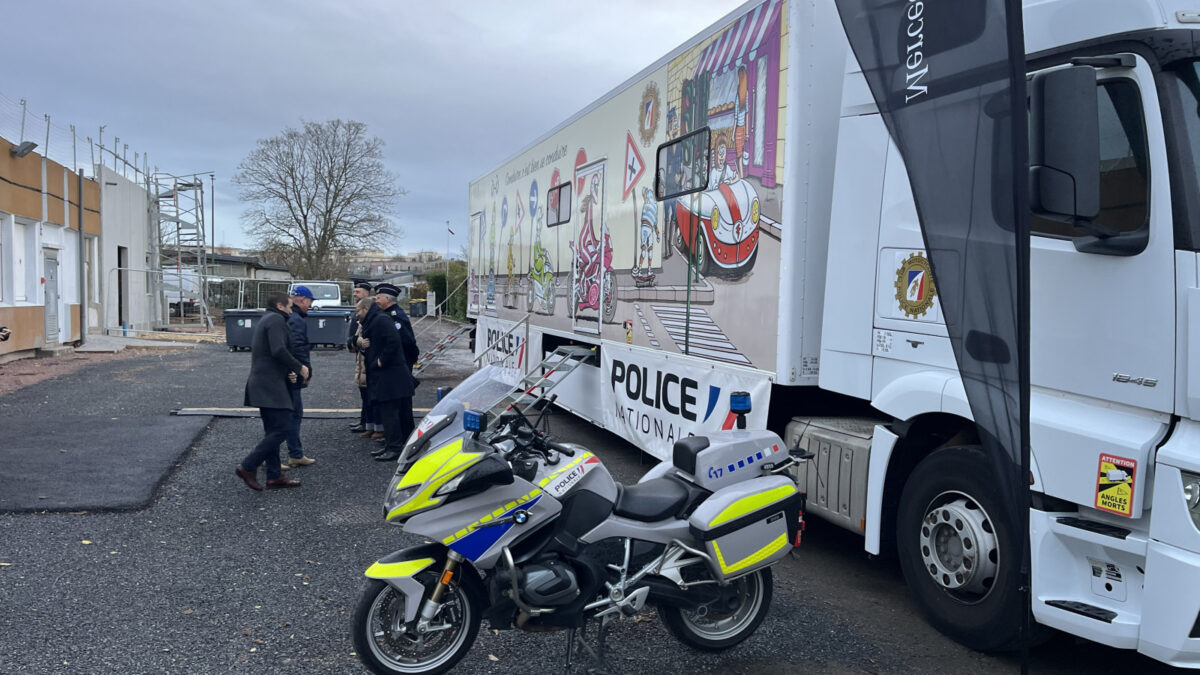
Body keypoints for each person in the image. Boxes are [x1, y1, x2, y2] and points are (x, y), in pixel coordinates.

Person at [235, 294, 307, 491]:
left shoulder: (266, 319)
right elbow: (278, 350)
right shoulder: (276, 319)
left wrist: (288, 372)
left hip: (264, 383)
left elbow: (270, 353)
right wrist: (300, 367)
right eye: (290, 307)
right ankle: (249, 465)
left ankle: (274, 476)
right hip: (270, 386)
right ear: (279, 305)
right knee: (283, 428)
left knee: (273, 430)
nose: (292, 311)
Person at [367, 283, 419, 462]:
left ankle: (397, 444)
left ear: (388, 299)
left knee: (395, 410)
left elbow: (407, 342)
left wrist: (387, 360)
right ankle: (397, 441)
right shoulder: (385, 315)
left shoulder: (395, 316)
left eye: (379, 297)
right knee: (400, 409)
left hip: (396, 368)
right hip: (396, 367)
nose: (376, 299)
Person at [284, 286, 316, 468]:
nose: (310, 306)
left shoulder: (289, 317)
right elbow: (297, 347)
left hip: (287, 372)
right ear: (303, 300)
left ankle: (293, 453)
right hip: (293, 374)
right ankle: (294, 454)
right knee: (293, 414)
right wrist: (305, 370)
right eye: (310, 302)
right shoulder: (296, 320)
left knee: (286, 414)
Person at [350, 297, 382, 444]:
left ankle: (379, 428)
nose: (356, 314)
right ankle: (369, 426)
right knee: (366, 399)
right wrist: (358, 341)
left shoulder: (377, 322)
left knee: (374, 399)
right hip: (362, 365)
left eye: (358, 310)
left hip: (370, 366)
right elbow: (352, 342)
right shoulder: (361, 324)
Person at [346, 282, 373, 435]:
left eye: (358, 291)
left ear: (367, 294)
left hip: (366, 356)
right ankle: (365, 421)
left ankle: (369, 423)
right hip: (359, 354)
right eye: (354, 291)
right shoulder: (356, 310)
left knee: (368, 392)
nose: (355, 294)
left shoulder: (370, 313)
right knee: (363, 391)